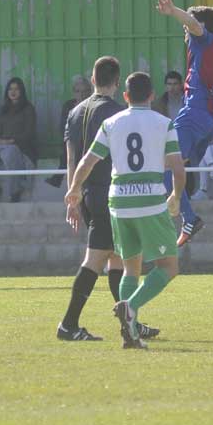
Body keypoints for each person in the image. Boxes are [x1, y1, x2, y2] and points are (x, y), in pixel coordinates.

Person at [65, 71, 186, 350]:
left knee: (130, 268)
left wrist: (74, 189)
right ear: (153, 96)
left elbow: (87, 161)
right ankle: (130, 308)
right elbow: (178, 170)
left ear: (126, 96)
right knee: (169, 265)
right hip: (150, 201)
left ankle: (129, 333)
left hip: (118, 202)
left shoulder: (111, 123)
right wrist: (176, 197)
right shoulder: (164, 123)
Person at [56, 56, 155, 343]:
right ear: (116, 81)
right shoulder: (115, 113)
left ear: (92, 79)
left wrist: (73, 195)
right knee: (96, 259)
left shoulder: (75, 112)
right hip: (107, 194)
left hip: (86, 194)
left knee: (117, 259)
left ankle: (131, 320)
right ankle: (68, 324)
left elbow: (72, 158)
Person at [155, 0, 213, 246]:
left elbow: (194, 25)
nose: (185, 31)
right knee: (179, 165)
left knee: (165, 165)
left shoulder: (203, 40)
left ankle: (187, 217)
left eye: (187, 26)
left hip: (196, 111)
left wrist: (173, 11)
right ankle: (178, 207)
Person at [0, 77, 37, 203]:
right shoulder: (3, 109)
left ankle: (15, 191)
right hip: (2, 145)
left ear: (21, 91)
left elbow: (29, 133)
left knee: (11, 152)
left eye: (16, 89)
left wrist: (11, 141)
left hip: (21, 146)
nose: (13, 92)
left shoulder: (28, 108)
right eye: (10, 89)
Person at [46, 75, 92, 189]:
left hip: (89, 141)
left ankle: (59, 178)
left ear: (90, 92)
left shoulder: (94, 104)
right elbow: (63, 127)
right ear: (73, 92)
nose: (81, 94)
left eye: (84, 91)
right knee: (69, 148)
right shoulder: (68, 105)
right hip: (73, 139)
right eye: (77, 91)